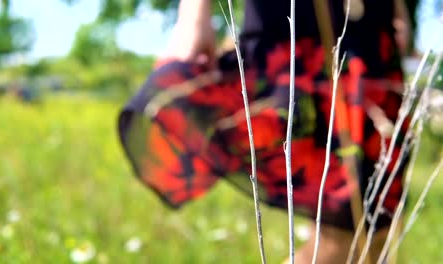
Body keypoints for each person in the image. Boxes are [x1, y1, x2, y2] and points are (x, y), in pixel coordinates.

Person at [117, 0, 411, 263]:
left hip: (372, 39)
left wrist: (397, 8)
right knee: (348, 236)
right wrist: (194, 16)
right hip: (290, 31)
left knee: (379, 236)